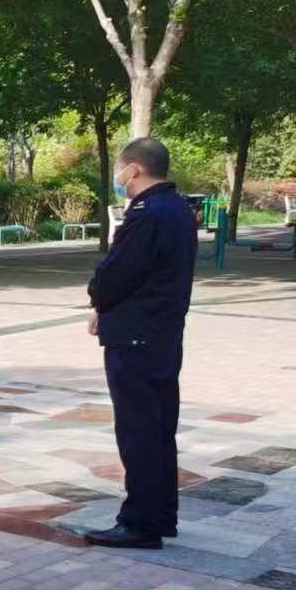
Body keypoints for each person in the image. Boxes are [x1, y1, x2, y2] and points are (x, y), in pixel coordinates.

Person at [83, 136, 197, 550]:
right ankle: (161, 514)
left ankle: (141, 522)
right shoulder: (179, 209)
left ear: (134, 169)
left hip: (136, 336)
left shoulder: (147, 213)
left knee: (139, 430)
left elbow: (118, 273)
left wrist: (97, 295)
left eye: (120, 169)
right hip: (162, 335)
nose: (118, 177)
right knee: (159, 428)